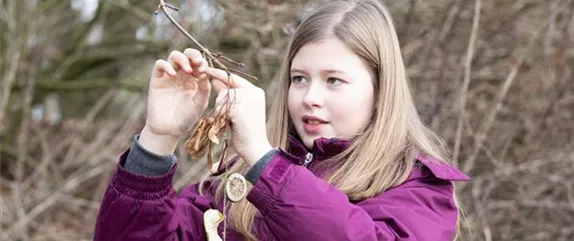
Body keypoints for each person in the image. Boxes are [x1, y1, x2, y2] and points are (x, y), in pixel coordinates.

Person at [94, 0, 470, 240]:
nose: (310, 98)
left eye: (333, 80)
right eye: (299, 79)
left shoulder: (418, 190)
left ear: (380, 88)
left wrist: (265, 163)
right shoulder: (236, 185)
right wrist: (157, 141)